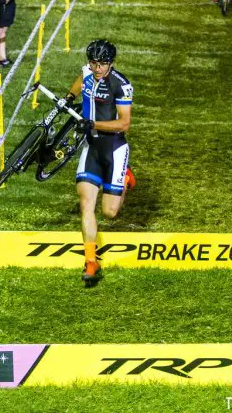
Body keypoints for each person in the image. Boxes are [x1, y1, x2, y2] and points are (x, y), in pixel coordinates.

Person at [64, 40, 135, 287]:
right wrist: (68, 97)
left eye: (102, 64)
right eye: (93, 63)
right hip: (91, 148)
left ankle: (125, 176)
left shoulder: (121, 85)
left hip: (114, 147)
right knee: (86, 204)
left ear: (111, 63)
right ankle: (91, 261)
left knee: (109, 212)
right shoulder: (87, 72)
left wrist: (93, 124)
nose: (97, 69)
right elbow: (79, 81)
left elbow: (124, 123)